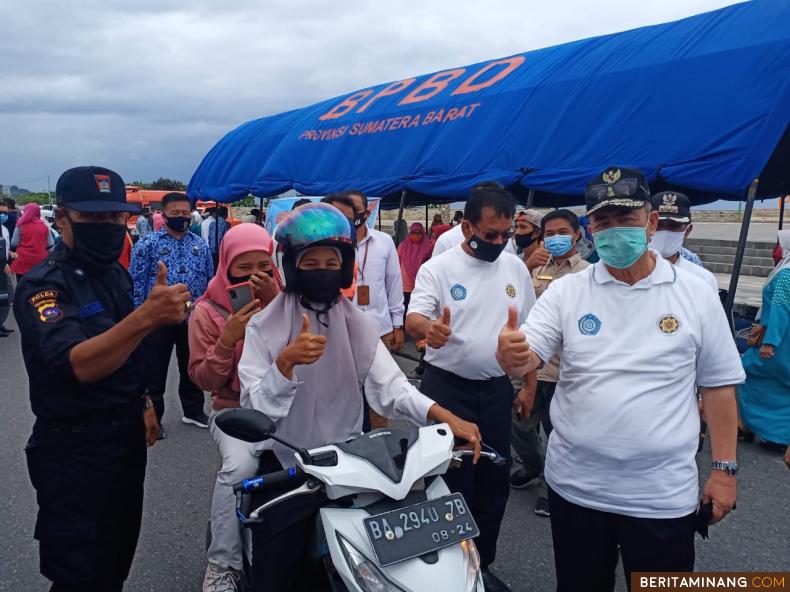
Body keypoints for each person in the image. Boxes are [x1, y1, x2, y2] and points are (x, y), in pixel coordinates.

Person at [497, 167, 744, 591]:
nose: (614, 231)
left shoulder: (697, 293)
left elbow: (718, 387)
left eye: (625, 219)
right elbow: (527, 354)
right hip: (577, 490)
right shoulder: (567, 292)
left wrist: (724, 471)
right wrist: (510, 354)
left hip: (661, 496)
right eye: (603, 221)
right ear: (590, 228)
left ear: (649, 222)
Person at [237, 203, 482, 591]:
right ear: (291, 265)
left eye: (331, 261)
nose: (322, 270)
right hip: (289, 463)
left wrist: (441, 414)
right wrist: (284, 365)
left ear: (346, 265)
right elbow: (254, 412)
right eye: (310, 262)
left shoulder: (356, 322)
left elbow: (392, 386)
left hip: (350, 465)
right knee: (274, 573)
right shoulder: (263, 328)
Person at [15, 166, 191, 591]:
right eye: (94, 219)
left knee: (113, 561)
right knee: (79, 572)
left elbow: (124, 353)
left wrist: (144, 403)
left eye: (116, 218)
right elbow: (79, 364)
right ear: (61, 219)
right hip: (74, 450)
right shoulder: (44, 285)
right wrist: (148, 318)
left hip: (123, 440)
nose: (109, 228)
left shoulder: (113, 273)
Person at [406, 182, 536, 592]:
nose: (498, 243)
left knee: (492, 485)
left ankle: (482, 565)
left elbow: (531, 334)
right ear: (466, 228)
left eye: (505, 235)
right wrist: (433, 330)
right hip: (447, 390)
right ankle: (445, 571)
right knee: (448, 482)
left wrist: (529, 384)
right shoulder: (439, 268)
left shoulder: (514, 267)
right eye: (489, 235)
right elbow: (414, 320)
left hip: (495, 390)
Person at [188, 224, 281, 592]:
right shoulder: (207, 311)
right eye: (244, 267)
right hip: (234, 410)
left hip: (284, 405)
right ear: (226, 265)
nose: (255, 275)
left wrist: (279, 308)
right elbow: (203, 380)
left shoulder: (287, 300)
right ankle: (222, 563)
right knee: (240, 466)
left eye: (265, 264)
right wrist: (227, 341)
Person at [509, 209, 589, 519]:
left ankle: (550, 488)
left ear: (577, 234)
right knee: (519, 425)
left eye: (561, 233)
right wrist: (525, 267)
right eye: (549, 234)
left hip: (565, 371)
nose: (554, 239)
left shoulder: (586, 274)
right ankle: (533, 466)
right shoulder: (536, 268)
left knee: (558, 432)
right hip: (532, 365)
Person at [129, 192, 214, 435]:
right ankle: (154, 416)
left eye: (185, 213)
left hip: (192, 315)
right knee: (155, 369)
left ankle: (193, 410)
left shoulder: (200, 244)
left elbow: (209, 279)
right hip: (157, 317)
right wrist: (139, 316)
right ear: (163, 215)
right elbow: (135, 280)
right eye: (175, 213)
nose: (181, 218)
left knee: (192, 363)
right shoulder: (147, 244)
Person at [326, 190, 405, 354]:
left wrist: (397, 325)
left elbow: (394, 284)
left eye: (355, 209)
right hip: (342, 330)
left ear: (367, 213)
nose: (350, 215)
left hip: (380, 329)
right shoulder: (329, 245)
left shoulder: (384, 242)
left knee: (382, 377)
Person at [737, 229, 790, 452]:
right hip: (782, 338)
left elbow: (781, 308)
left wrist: (771, 342)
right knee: (780, 387)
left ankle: (750, 426)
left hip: (779, 339)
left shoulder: (787, 272)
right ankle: (770, 432)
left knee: (746, 373)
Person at [649, 191, 718, 292]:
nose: (665, 231)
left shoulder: (702, 279)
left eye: (674, 225)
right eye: (659, 225)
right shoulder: (628, 272)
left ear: (687, 231)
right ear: (648, 226)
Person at [11, 203, 53, 280]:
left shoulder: (20, 225)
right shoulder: (45, 226)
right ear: (38, 212)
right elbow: (51, 246)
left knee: (22, 286)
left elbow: (14, 243)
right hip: (40, 262)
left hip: (22, 262)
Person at [397, 222, 432, 311]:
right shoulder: (403, 246)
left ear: (423, 233)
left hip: (421, 285)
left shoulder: (428, 246)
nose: (416, 235)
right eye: (413, 233)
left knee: (418, 311)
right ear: (410, 233)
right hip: (405, 286)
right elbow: (397, 262)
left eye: (419, 233)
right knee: (405, 310)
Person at [0, 216, 12, 335]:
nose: (3, 215)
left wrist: (7, 262)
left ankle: (1, 323)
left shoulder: (4, 229)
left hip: (3, 267)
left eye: (4, 212)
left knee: (8, 295)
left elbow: (7, 248)